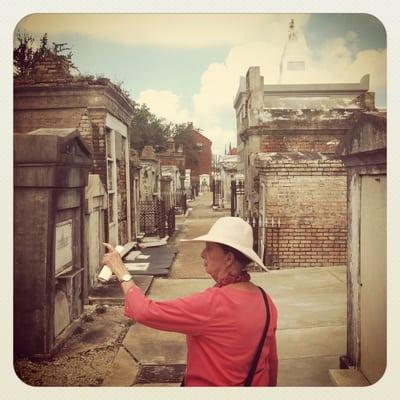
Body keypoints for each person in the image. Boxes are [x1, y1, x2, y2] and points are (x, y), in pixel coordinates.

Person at [102, 216, 278, 386]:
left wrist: (121, 270)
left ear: (229, 259)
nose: (202, 254)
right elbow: (270, 363)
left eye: (208, 248)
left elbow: (144, 311)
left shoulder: (212, 304)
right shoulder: (265, 300)